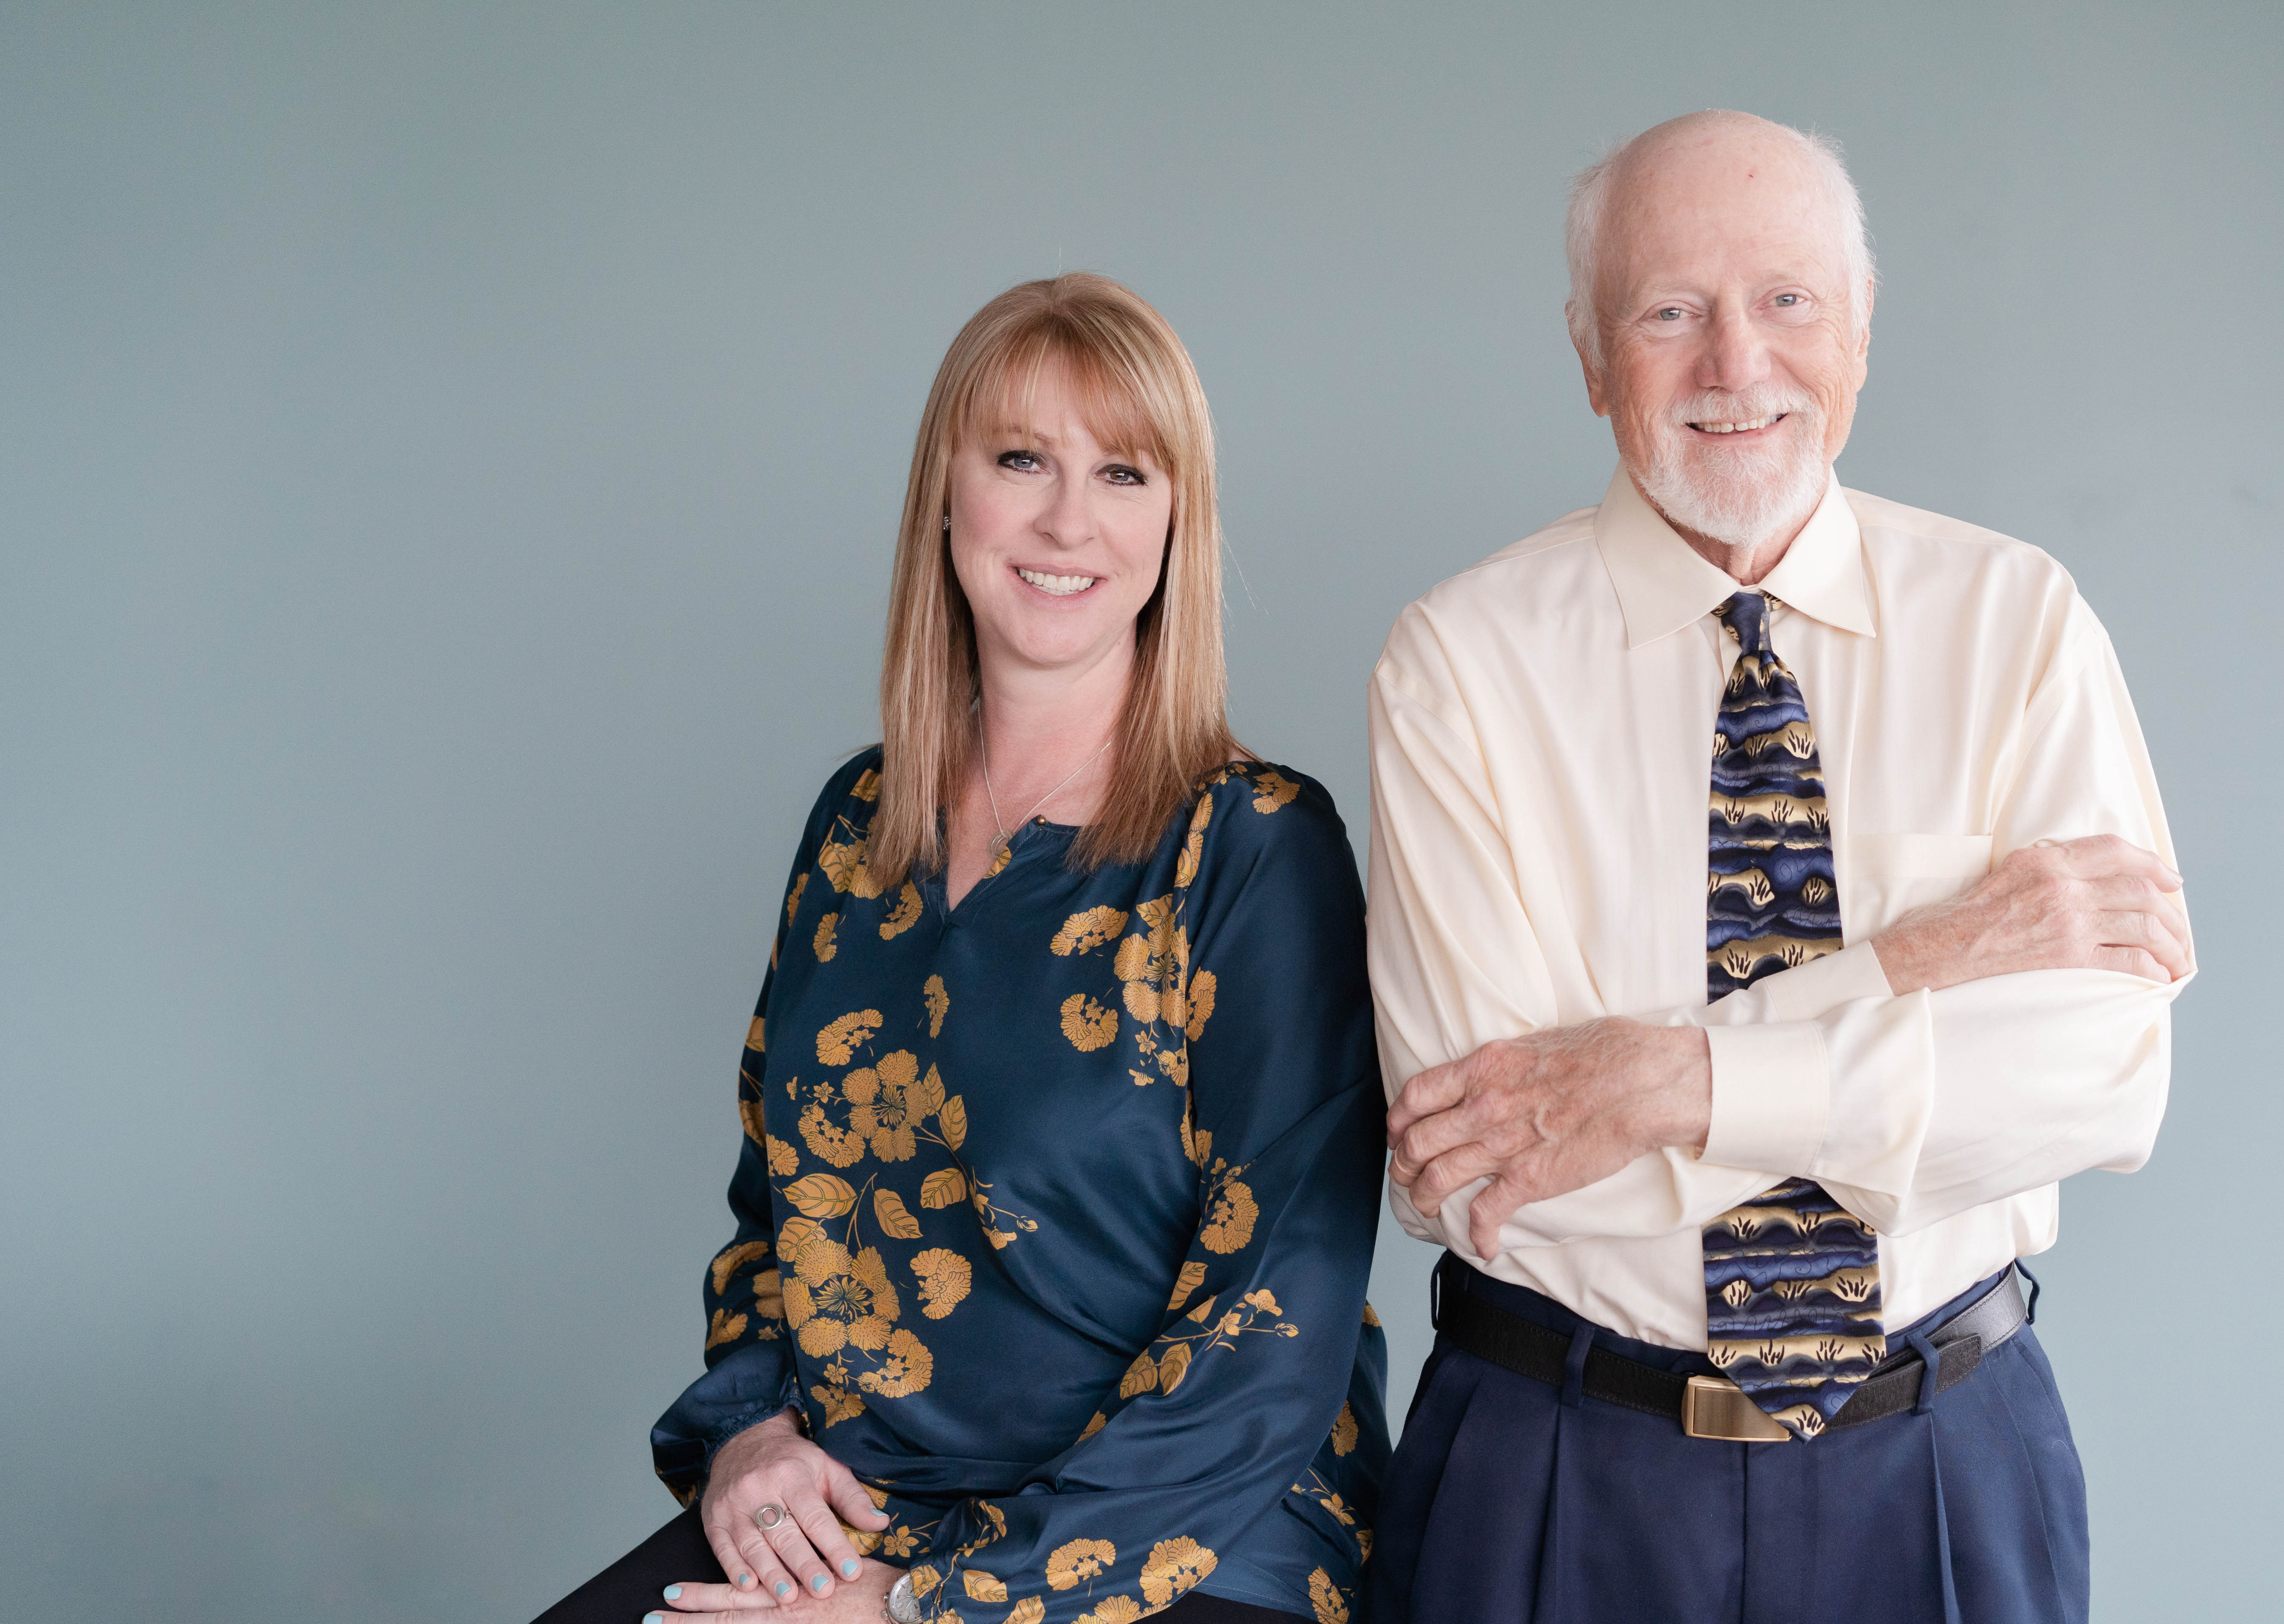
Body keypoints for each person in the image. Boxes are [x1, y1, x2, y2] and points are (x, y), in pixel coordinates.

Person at [1363, 112, 2194, 1624]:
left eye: (1786, 302)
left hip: (1941, 1465)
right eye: (1668, 310)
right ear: (1586, 351)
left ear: (1862, 330)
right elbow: (1493, 1170)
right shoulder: (1459, 664)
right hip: (1557, 1466)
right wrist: (1918, 971)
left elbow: (2097, 1083)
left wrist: (1652, 1082)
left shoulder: (2020, 627)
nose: (1734, 367)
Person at [537, 274, 1389, 1624]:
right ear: (947, 496)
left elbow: (1274, 1325)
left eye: (1121, 473)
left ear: (1178, 524)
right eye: (1018, 460)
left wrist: (921, 1608)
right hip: (865, 1501)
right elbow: (776, 1217)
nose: (1066, 520)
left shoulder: (1252, 847)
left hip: (1183, 1546)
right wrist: (750, 1440)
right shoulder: (854, 830)